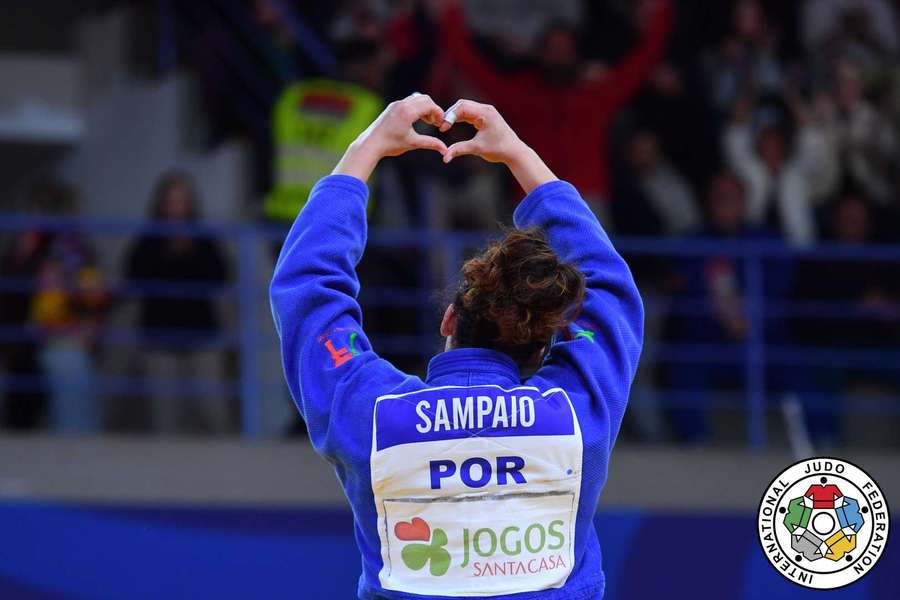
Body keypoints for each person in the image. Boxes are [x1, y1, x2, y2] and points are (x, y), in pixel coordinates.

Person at [271, 94, 643, 598]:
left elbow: (309, 290)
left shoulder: (373, 415)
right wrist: (519, 154)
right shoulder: (576, 414)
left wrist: (367, 147)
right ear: (544, 339)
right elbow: (611, 296)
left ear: (450, 318)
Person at [441, 0, 673, 213]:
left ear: (576, 54)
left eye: (564, 49)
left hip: (587, 201)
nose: (559, 56)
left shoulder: (595, 96)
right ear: (540, 53)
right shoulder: (521, 95)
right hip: (532, 197)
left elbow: (643, 61)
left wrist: (662, 10)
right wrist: (451, 11)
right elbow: (471, 64)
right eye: (553, 49)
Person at [124, 172, 231, 434]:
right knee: (164, 416)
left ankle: (222, 465)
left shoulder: (204, 239)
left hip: (201, 335)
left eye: (182, 201)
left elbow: (221, 275)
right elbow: (133, 277)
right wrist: (166, 253)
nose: (177, 208)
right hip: (158, 337)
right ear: (160, 204)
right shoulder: (148, 241)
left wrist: (190, 251)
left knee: (213, 412)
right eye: (171, 201)